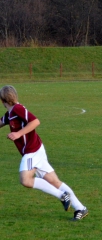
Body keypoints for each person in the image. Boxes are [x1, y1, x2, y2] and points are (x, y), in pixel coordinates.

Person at [0, 85, 88, 221]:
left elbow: (35, 121)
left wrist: (18, 134)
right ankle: (80, 208)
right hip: (37, 149)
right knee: (54, 181)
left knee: (25, 180)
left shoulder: (18, 109)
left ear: (2, 100)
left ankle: (62, 196)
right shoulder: (10, 114)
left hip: (32, 150)